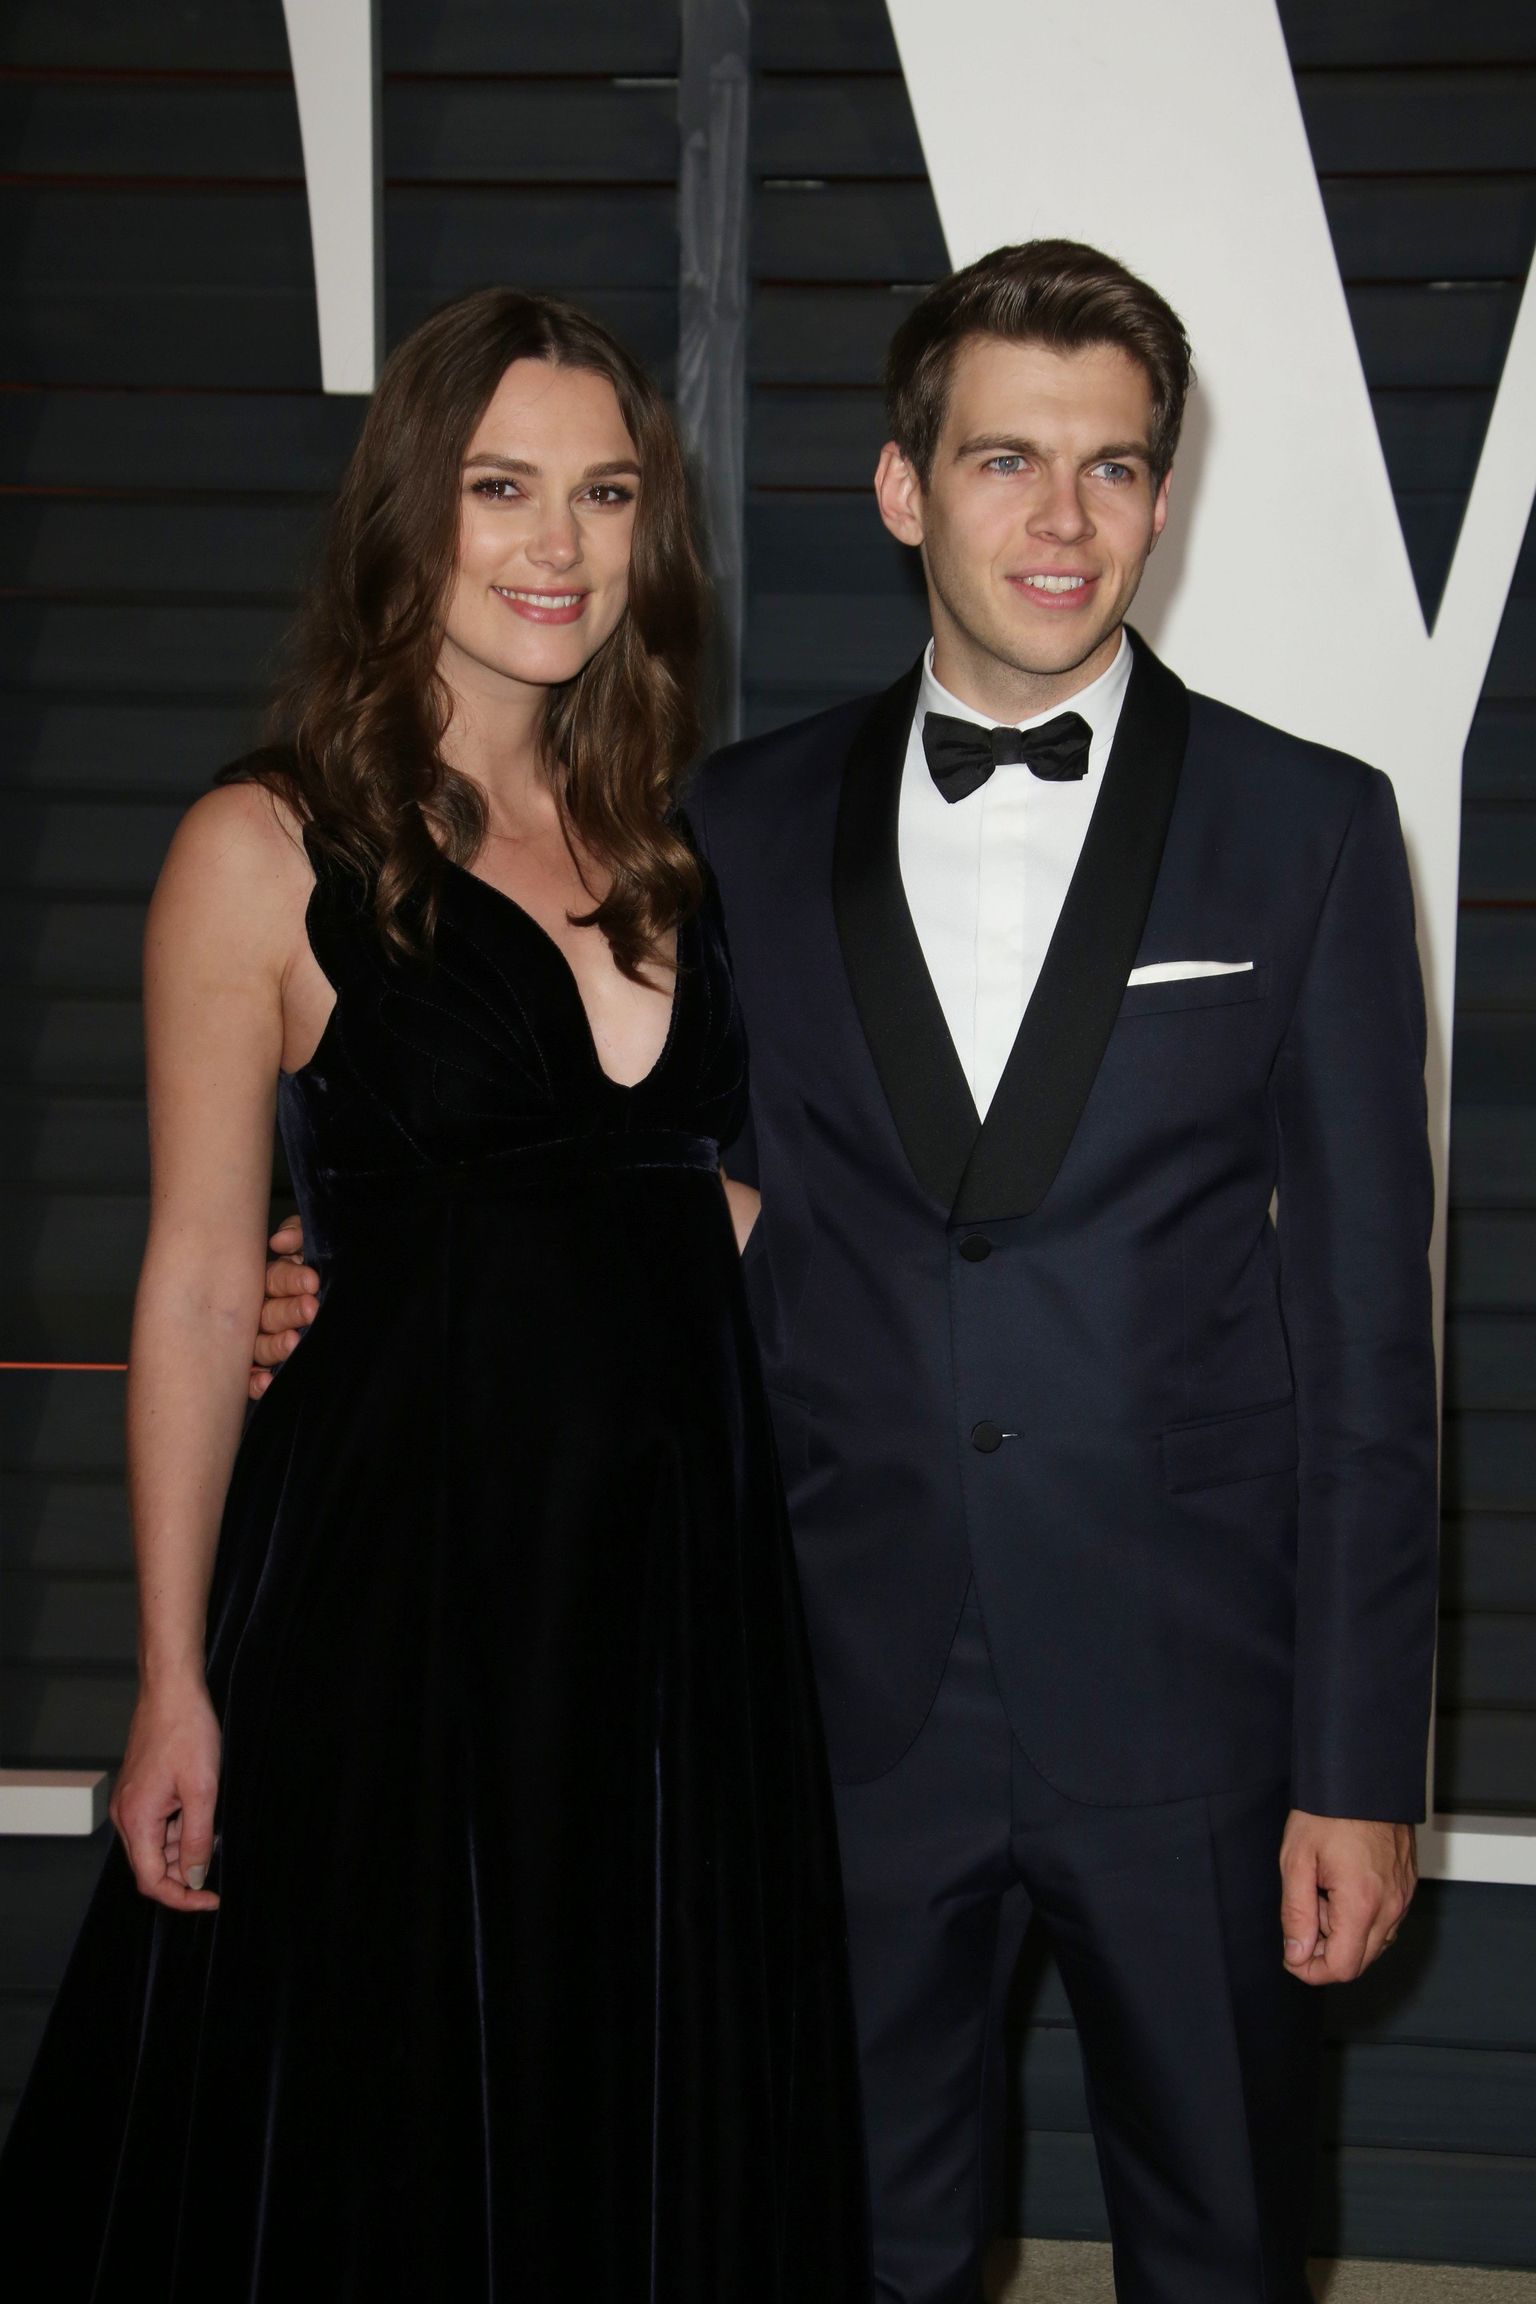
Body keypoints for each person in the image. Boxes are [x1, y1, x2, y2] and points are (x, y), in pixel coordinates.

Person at [256, 242, 1440, 2302]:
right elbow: (600, 1158)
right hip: (822, 1689)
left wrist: (1359, 1771)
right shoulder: (716, 827)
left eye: (1113, 467)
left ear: (1164, 496)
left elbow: (1369, 1344)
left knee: (1228, 2249)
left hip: (1195, 1711)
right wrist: (335, 1255)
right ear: (903, 488)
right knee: (839, 2248)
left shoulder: (1312, 828)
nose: (1063, 519)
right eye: (1003, 459)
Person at [0, 289, 868, 2302]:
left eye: (605, 495)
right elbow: (201, 1277)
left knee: (634, 2113)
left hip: (674, 1620)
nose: (559, 544)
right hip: (397, 1616)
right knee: (381, 2137)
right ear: (410, 510)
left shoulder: (680, 847)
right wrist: (168, 1674)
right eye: (502, 489)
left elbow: (713, 1208)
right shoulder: (259, 846)